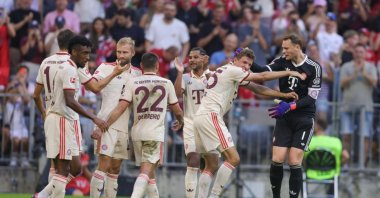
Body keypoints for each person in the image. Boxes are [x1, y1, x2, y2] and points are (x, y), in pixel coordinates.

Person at [194, 47, 304, 198]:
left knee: (211, 164)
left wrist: (283, 95)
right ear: (235, 60)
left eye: (249, 64)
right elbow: (263, 76)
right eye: (244, 62)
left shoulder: (228, 71)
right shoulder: (233, 70)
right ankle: (214, 196)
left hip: (201, 117)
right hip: (210, 116)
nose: (246, 67)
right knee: (234, 158)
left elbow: (257, 88)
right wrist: (289, 72)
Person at [32, 35, 119, 198]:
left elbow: (36, 95)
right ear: (72, 51)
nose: (87, 58)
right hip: (61, 118)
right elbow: (70, 100)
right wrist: (94, 117)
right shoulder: (69, 69)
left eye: (88, 53)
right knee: (62, 169)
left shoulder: (55, 64)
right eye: (83, 53)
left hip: (65, 118)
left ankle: (41, 196)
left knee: (76, 168)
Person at [94, 52, 184, 198]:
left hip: (136, 134)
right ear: (157, 66)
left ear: (141, 66)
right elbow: (177, 110)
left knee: (150, 174)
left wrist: (104, 125)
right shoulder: (166, 83)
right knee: (145, 172)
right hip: (154, 133)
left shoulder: (132, 82)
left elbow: (120, 108)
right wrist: (181, 121)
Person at [252, 34, 323, 198]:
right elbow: (262, 71)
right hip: (284, 116)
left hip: (303, 118)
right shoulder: (282, 61)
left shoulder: (314, 67)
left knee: (294, 161)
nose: (283, 51)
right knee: (277, 158)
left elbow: (311, 98)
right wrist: (247, 60)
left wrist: (290, 106)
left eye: (286, 48)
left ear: (297, 46)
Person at [89, 37, 142, 198]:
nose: (121, 55)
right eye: (118, 52)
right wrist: (114, 73)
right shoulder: (105, 67)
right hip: (105, 124)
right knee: (103, 165)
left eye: (125, 52)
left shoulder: (138, 73)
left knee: (115, 169)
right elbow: (94, 88)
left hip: (123, 127)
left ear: (132, 53)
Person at [173, 47, 209, 198]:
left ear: (204, 59)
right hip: (190, 124)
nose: (192, 60)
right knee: (192, 159)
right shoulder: (186, 77)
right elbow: (175, 95)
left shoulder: (213, 77)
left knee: (208, 165)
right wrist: (180, 72)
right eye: (190, 57)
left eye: (195, 57)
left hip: (209, 125)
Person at [305, 118, 350, 195]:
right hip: (331, 173)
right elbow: (346, 156)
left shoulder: (307, 141)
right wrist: (338, 164)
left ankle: (305, 195)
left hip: (311, 172)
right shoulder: (336, 141)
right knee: (336, 175)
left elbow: (300, 157)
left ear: (317, 127)